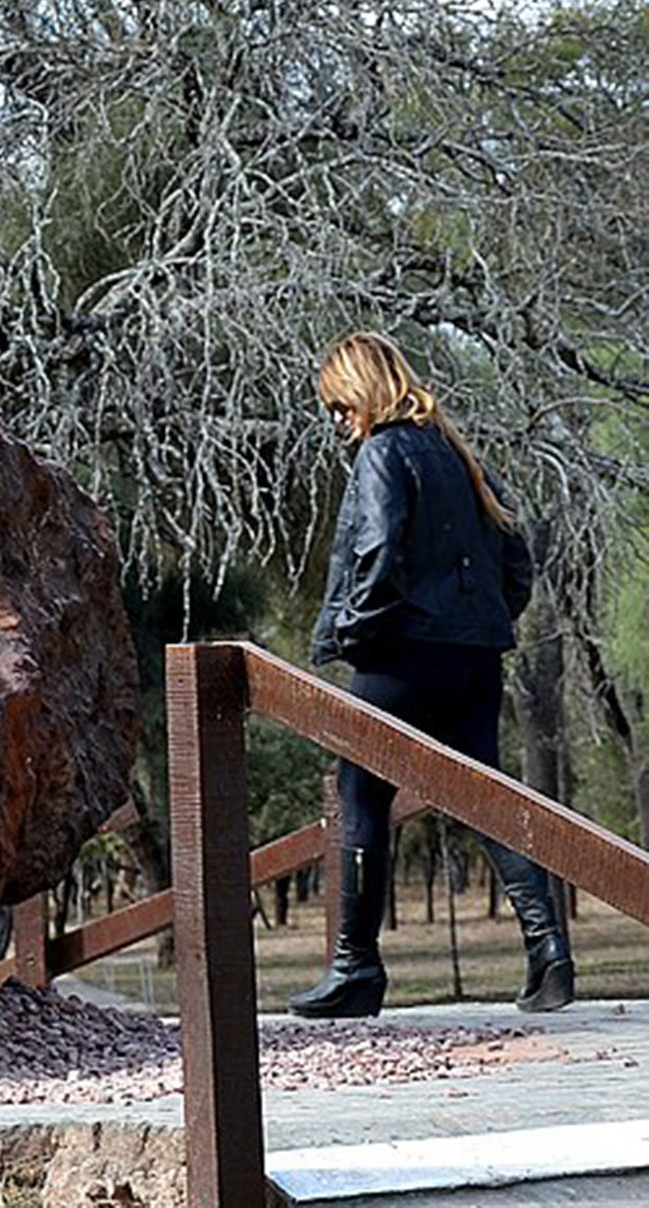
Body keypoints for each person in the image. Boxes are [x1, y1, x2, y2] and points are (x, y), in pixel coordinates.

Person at [290, 332, 575, 1019]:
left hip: (402, 655)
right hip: (472, 658)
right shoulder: (457, 452)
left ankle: (357, 967)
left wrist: (356, 630)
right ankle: (549, 950)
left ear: (364, 391)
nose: (337, 421)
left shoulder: (384, 452)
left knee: (360, 796)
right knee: (486, 798)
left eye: (339, 405)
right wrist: (479, 622)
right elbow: (516, 558)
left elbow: (380, 548)